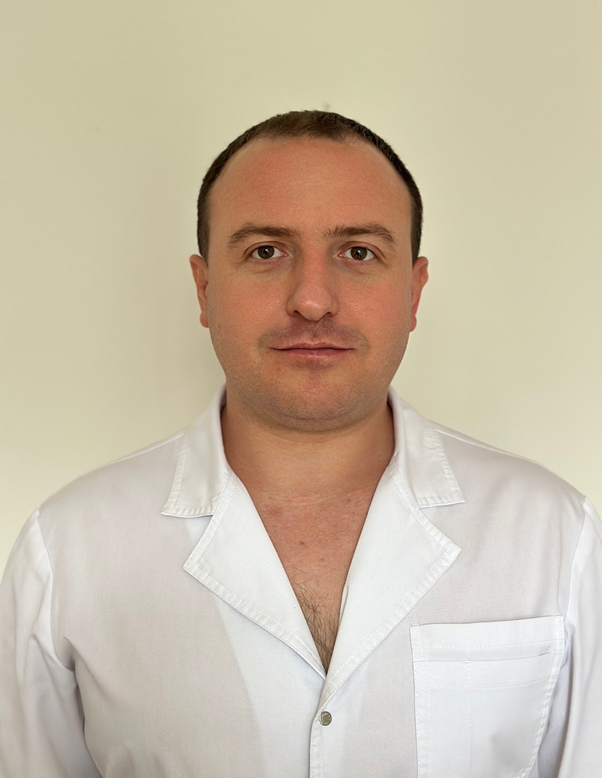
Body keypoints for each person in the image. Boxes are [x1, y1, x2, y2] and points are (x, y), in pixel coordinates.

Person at [1, 110, 600, 778]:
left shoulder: (553, 536)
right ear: (204, 288)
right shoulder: (69, 551)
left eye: (358, 252)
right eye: (266, 251)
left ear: (413, 291)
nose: (312, 301)